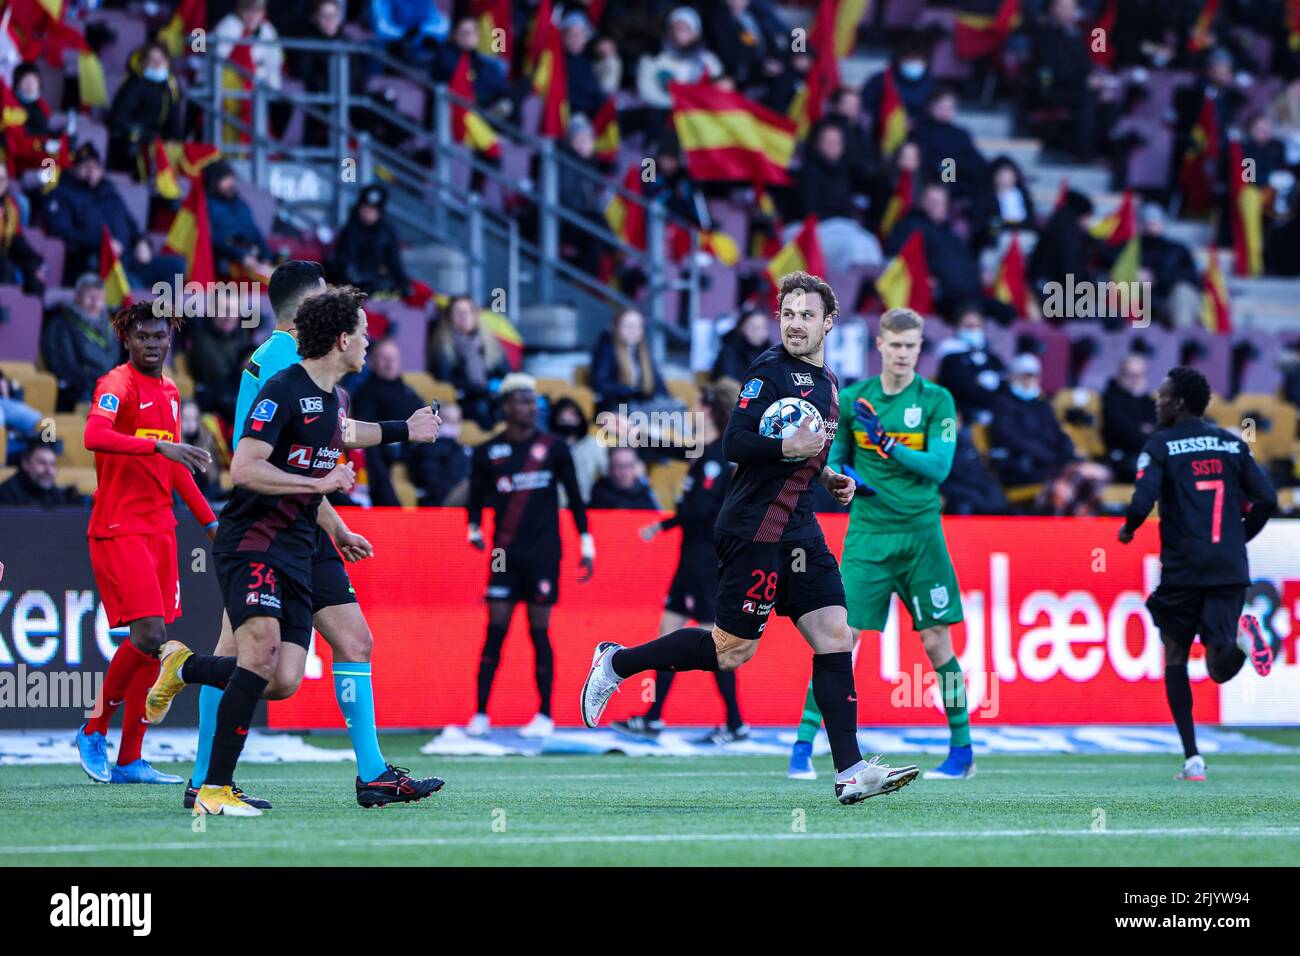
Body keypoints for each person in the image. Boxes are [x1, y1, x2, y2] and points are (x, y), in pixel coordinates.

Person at [579, 271, 921, 804]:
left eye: (807, 315)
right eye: (788, 315)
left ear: (829, 322)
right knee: (731, 651)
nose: (795, 325)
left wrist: (829, 476)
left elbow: (809, 451)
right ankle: (617, 662)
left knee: (836, 635)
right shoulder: (768, 371)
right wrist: (787, 448)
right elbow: (735, 442)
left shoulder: (829, 383)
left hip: (800, 527)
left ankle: (850, 770)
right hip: (755, 530)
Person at [148, 285, 445, 816]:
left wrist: (403, 434)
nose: (369, 342)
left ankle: (186, 669)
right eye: (363, 332)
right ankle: (211, 787)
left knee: (282, 678)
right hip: (255, 540)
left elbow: (335, 435)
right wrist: (322, 486)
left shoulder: (334, 396)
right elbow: (245, 467)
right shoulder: (283, 378)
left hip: (300, 539)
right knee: (254, 655)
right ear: (338, 337)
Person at [788, 307, 973, 781]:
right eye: (895, 345)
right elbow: (838, 462)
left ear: (919, 348)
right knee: (839, 639)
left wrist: (889, 446)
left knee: (936, 643)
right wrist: (852, 482)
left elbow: (939, 468)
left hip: (920, 534)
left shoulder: (937, 400)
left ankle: (962, 750)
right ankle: (803, 746)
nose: (903, 354)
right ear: (880, 346)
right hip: (868, 535)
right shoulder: (851, 399)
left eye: (911, 346)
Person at [73, 302, 218, 788]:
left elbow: (176, 468)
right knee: (151, 636)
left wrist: (210, 524)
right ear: (127, 341)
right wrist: (158, 445)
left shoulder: (172, 391)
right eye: (144, 337)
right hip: (119, 527)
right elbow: (95, 435)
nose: (153, 344)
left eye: (160, 336)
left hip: (161, 531)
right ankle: (94, 728)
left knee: (152, 647)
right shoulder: (117, 385)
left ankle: (131, 759)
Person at [1118, 366, 1277, 782]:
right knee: (1219, 666)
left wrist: (1129, 528)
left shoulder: (1160, 444)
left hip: (1184, 568)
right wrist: (1238, 539)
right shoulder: (1231, 443)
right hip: (1228, 566)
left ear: (1179, 403)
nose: (1158, 400)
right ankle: (1243, 639)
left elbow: (1142, 499)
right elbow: (1267, 498)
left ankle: (1192, 759)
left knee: (1175, 657)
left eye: (1163, 395)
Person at [613, 381, 750, 744]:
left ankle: (736, 724)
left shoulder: (721, 456)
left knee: (715, 644)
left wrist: (670, 521)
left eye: (695, 405)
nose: (690, 411)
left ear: (708, 409)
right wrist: (665, 523)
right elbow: (675, 454)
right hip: (688, 560)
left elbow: (707, 512)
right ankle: (654, 716)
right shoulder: (702, 451)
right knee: (667, 637)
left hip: (706, 563)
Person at [462, 374, 595, 739]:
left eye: (533, 400)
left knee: (539, 631)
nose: (531, 406)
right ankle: (481, 714)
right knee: (496, 631)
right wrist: (473, 528)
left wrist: (587, 542)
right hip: (502, 555)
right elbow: (475, 498)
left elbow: (576, 498)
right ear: (506, 406)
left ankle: (545, 715)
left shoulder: (554, 449)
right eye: (522, 400)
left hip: (543, 554)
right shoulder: (487, 452)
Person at [44, 143, 185, 287]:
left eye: (95, 166)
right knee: (132, 285)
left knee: (177, 267)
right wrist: (103, 243)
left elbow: (132, 225)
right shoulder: (63, 194)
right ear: (74, 169)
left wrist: (142, 243)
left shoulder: (109, 192)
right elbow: (62, 231)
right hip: (99, 263)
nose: (91, 170)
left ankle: (166, 309)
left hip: (129, 260)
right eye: (85, 166)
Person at [988, 352, 1076, 488]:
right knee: (1068, 481)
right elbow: (1011, 438)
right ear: (1012, 377)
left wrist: (1067, 453)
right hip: (1022, 467)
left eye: (1033, 376)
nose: (1029, 382)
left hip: (1049, 463)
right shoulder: (1003, 404)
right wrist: (1049, 456)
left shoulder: (1042, 405)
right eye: (1024, 377)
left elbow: (1057, 432)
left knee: (1084, 475)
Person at [427, 294, 511, 428]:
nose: (463, 316)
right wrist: (477, 389)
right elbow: (443, 379)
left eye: (467, 311)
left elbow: (505, 373)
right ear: (450, 317)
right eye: (458, 312)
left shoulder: (490, 343)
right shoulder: (442, 346)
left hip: (491, 398)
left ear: (474, 314)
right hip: (462, 400)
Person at [41, 274, 121, 411]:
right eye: (90, 297)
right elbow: (65, 368)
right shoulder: (60, 325)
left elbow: (114, 361)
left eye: (100, 299)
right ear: (77, 297)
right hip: (78, 392)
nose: (95, 303)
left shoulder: (109, 327)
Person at [106, 40, 183, 175]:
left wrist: (172, 139)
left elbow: (174, 123)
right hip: (131, 143)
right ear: (143, 64)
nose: (158, 64)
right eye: (152, 60)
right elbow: (119, 120)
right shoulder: (133, 86)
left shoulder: (170, 88)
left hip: (159, 145)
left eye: (161, 60)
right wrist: (151, 137)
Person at [327, 184, 411, 298]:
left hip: (378, 288)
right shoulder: (350, 230)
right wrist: (356, 278)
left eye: (373, 210)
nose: (369, 213)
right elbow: (344, 262)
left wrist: (402, 283)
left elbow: (395, 263)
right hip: (353, 289)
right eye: (366, 208)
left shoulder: (387, 232)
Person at [590, 308, 669, 416]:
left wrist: (664, 399)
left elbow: (658, 384)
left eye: (638, 326)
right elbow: (600, 384)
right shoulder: (606, 350)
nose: (634, 330)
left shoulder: (643, 353)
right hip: (616, 407)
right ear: (617, 328)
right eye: (628, 326)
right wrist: (633, 391)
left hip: (642, 406)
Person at [936, 305, 1005, 424]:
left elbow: (1005, 384)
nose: (973, 330)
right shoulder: (950, 358)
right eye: (968, 326)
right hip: (964, 417)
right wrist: (989, 388)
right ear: (957, 328)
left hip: (997, 415)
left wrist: (979, 382)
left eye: (977, 326)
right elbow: (961, 389)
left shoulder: (992, 357)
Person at [205, 160, 274, 279]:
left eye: (231, 178)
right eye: (225, 179)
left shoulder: (240, 204)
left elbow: (254, 231)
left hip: (252, 256)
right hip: (228, 258)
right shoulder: (207, 205)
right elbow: (212, 238)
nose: (231, 183)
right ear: (214, 182)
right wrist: (241, 255)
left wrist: (266, 256)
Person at [1102, 355, 1157, 482]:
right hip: (1123, 461)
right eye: (1129, 375)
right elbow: (1129, 436)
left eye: (1139, 375)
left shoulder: (1150, 402)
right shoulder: (1112, 401)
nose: (1135, 380)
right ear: (1119, 376)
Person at [550, 396, 606, 504]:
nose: (567, 421)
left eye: (572, 416)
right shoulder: (548, 446)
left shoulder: (594, 445)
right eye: (562, 418)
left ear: (580, 419)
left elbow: (607, 471)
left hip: (586, 502)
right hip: (555, 505)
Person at [0, 440, 88, 508]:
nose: (49, 470)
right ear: (25, 463)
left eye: (52, 464)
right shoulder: (6, 493)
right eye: (42, 463)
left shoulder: (54, 492)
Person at [0, 164, 45, 294]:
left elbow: (16, 238)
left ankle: (32, 311)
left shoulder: (11, 205)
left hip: (5, 250)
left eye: (2, 179)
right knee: (6, 266)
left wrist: (36, 260)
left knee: (34, 268)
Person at [711, 308, 772, 383]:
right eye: (754, 328)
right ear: (742, 328)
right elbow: (727, 381)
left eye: (763, 328)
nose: (759, 333)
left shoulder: (770, 352)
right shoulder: (730, 349)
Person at [588, 446, 660, 509]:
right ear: (610, 468)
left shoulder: (645, 492)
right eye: (620, 466)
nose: (625, 472)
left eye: (629, 465)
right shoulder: (600, 493)